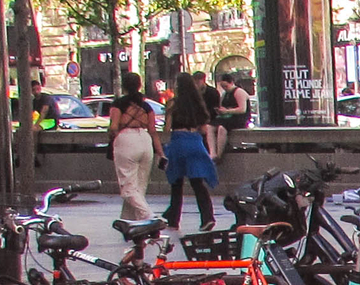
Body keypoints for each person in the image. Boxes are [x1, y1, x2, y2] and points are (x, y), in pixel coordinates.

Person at [160, 76, 217, 230]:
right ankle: (207, 217)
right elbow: (204, 129)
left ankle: (174, 218)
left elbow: (167, 128)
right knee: (198, 183)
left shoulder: (173, 103)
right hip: (195, 142)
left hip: (179, 142)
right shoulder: (198, 104)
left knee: (176, 183)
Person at [105, 72, 159, 221]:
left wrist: (111, 136)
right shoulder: (147, 106)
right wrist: (160, 152)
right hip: (146, 141)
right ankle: (129, 221)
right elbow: (153, 131)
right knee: (140, 187)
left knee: (128, 188)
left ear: (124, 86)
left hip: (127, 140)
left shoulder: (119, 104)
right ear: (140, 85)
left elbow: (114, 127)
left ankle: (148, 215)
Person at [210, 71, 251, 160]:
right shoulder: (225, 94)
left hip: (238, 118)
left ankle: (219, 154)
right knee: (210, 126)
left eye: (226, 86)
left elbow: (242, 109)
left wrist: (228, 111)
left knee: (222, 128)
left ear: (231, 83)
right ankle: (212, 152)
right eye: (222, 87)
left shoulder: (239, 92)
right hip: (227, 116)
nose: (225, 88)